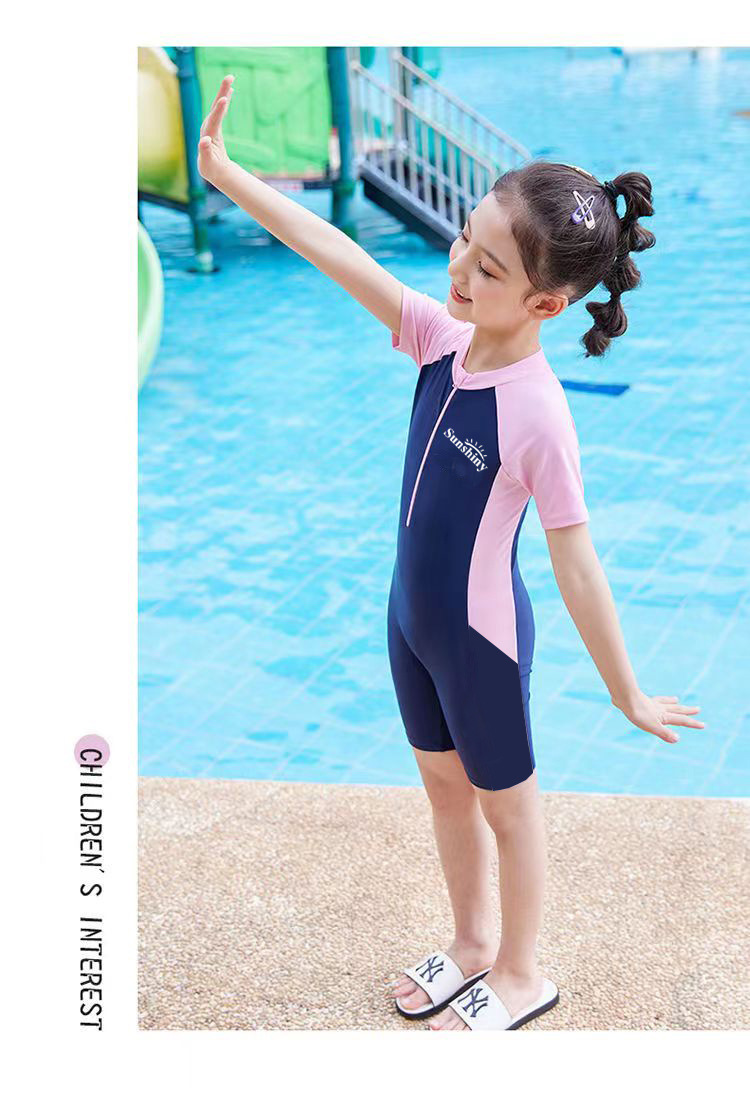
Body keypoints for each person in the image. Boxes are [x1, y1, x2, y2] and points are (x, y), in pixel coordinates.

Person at [197, 75, 706, 1032]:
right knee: (442, 788)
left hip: (478, 640)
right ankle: (472, 946)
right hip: (410, 623)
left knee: (509, 809)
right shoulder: (441, 338)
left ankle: (521, 971)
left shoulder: (540, 416)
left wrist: (625, 690)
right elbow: (334, 250)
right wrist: (229, 177)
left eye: (488, 267)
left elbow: (577, 564)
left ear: (546, 303)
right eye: (465, 239)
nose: (459, 267)